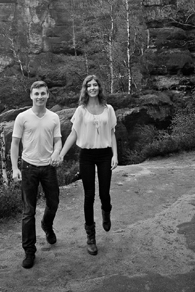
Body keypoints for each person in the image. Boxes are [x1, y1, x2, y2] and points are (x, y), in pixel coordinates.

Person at [56, 74, 118, 256]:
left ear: (99, 88)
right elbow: (73, 134)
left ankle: (106, 212)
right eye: (89, 85)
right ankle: (91, 236)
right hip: (87, 155)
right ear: (85, 89)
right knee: (89, 195)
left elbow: (112, 133)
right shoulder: (81, 110)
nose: (92, 87)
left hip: (105, 154)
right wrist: (61, 154)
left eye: (95, 85)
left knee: (104, 193)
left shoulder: (109, 109)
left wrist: (115, 155)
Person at [10, 80, 63, 269]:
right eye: (36, 93)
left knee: (54, 203)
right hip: (28, 168)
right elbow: (15, 144)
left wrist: (57, 152)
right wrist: (15, 168)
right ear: (31, 96)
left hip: (48, 167)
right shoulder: (22, 118)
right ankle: (29, 251)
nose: (40, 96)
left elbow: (58, 141)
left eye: (43, 93)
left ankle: (47, 226)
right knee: (28, 211)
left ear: (48, 95)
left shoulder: (54, 117)